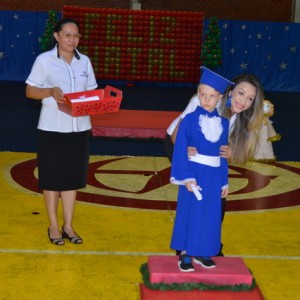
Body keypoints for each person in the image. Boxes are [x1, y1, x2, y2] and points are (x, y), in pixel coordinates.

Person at [165, 72, 264, 256]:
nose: (243, 101)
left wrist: (231, 153)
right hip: (179, 144)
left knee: (217, 200)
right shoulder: (206, 99)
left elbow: (227, 153)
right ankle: (185, 248)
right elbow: (176, 136)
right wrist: (185, 152)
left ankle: (207, 245)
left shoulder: (243, 119)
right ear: (231, 91)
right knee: (194, 195)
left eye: (250, 99)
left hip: (208, 158)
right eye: (241, 93)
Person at [25, 18, 98, 245]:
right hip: (52, 128)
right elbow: (29, 91)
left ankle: (68, 225)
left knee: (72, 179)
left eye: (76, 36)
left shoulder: (84, 61)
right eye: (67, 35)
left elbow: (91, 93)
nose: (72, 40)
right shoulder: (44, 61)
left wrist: (97, 102)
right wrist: (49, 91)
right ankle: (54, 226)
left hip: (80, 129)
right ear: (57, 36)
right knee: (52, 179)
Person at [170, 67, 234, 272]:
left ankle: (203, 252)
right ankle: (186, 254)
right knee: (190, 213)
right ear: (198, 94)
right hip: (194, 175)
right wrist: (187, 177)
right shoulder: (188, 121)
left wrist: (224, 180)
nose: (207, 100)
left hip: (214, 177)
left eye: (212, 96)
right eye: (203, 95)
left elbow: (223, 154)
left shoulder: (224, 124)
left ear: (220, 98)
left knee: (210, 215)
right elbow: (180, 149)